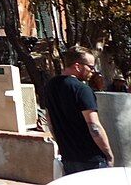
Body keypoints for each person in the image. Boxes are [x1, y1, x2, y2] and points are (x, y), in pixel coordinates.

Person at [45, 46, 114, 174]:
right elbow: (94, 126)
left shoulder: (50, 86)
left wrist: (61, 143)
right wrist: (109, 154)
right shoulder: (82, 90)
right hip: (92, 160)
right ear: (77, 66)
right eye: (91, 67)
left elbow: (49, 119)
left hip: (68, 158)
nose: (93, 71)